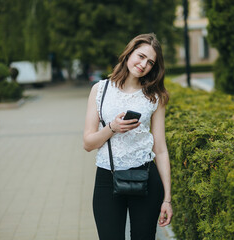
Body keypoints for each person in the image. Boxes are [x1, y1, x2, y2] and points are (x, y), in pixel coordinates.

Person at [83, 33, 173, 240]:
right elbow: (88, 143)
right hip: (108, 178)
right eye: (140, 56)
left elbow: (160, 149)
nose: (143, 65)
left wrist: (167, 199)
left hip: (146, 179)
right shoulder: (100, 90)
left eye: (150, 62)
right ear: (129, 53)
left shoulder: (155, 96)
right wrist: (112, 128)